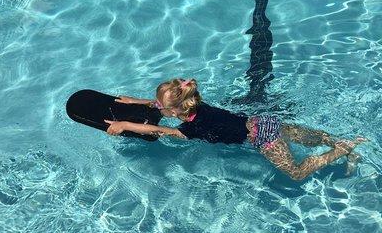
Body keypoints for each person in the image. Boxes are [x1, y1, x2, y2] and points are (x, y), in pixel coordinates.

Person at [104, 78, 367, 181]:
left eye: (159, 105)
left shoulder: (195, 127)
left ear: (174, 112)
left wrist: (125, 124)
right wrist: (134, 101)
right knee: (315, 138)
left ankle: (343, 149)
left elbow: (163, 131)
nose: (157, 108)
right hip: (263, 121)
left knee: (297, 173)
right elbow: (164, 107)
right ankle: (344, 147)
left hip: (263, 138)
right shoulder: (197, 104)